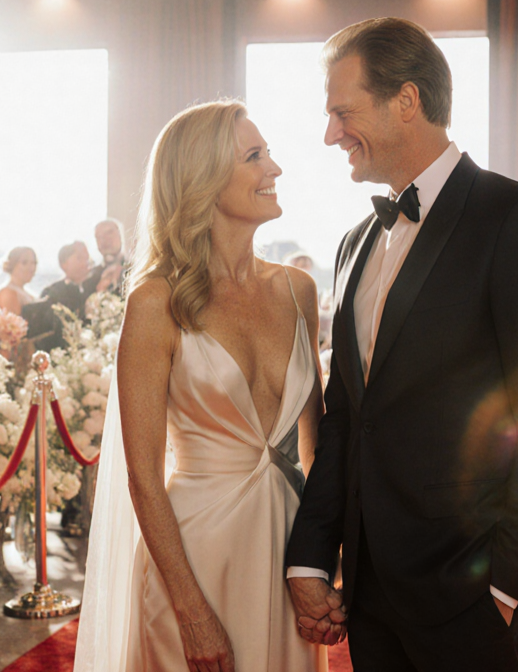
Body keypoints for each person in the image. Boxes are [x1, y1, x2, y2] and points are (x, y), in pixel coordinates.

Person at [284, 18, 518, 672]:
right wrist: (310, 556)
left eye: (343, 112)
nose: (330, 133)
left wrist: (507, 589)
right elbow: (346, 420)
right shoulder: (351, 246)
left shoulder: (517, 219)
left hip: (471, 588)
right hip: (369, 591)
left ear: (407, 101)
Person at [75, 101, 326, 672]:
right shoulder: (154, 303)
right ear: (204, 178)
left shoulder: (298, 290)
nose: (275, 169)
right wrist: (190, 609)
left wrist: (318, 561)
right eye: (255, 156)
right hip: (193, 557)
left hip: (288, 553)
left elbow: (316, 449)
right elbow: (142, 474)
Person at [37, 241, 91, 353]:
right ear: (63, 264)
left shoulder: (94, 288)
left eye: (87, 259)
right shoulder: (52, 293)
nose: (85, 263)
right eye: (79, 258)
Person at [83, 218, 127, 297]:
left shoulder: (136, 269)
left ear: (120, 236)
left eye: (109, 233)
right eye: (99, 237)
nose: (105, 240)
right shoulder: (90, 278)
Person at [0, 246, 38, 315]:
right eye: (24, 263)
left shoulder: (26, 293)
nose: (31, 268)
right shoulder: (7, 293)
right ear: (12, 264)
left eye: (34, 263)